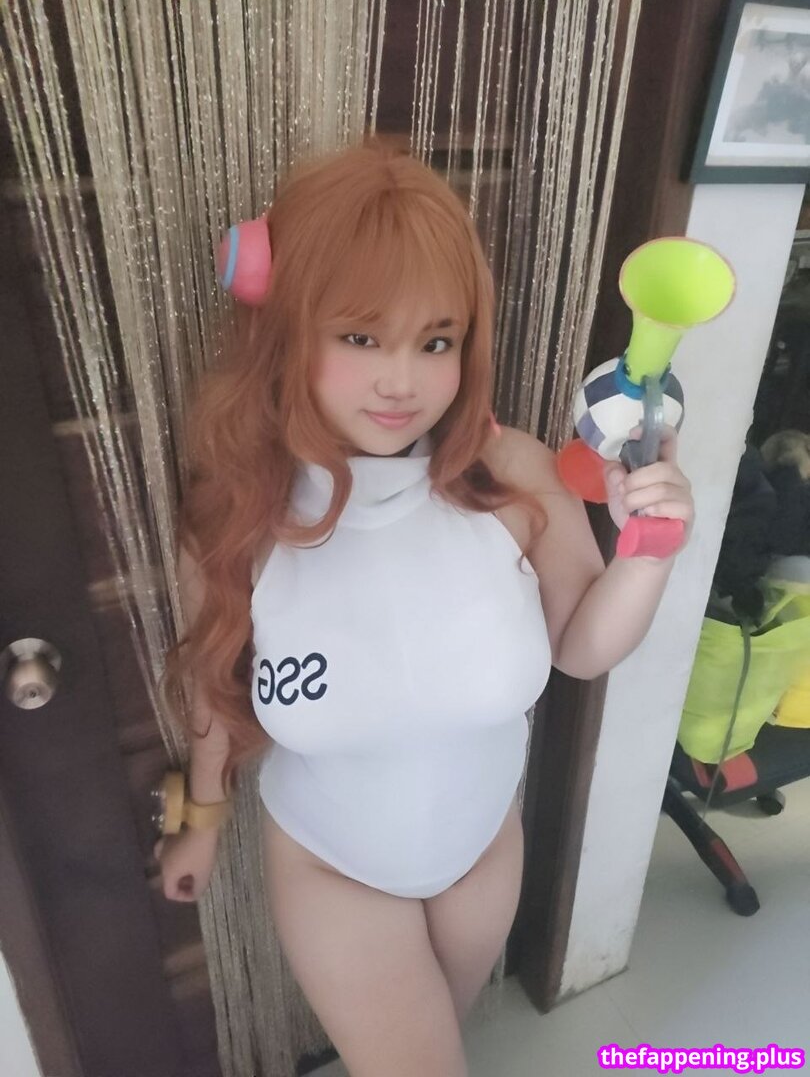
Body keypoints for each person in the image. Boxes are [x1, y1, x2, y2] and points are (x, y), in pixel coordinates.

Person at [155, 138, 694, 1077]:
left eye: (435, 341)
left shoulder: (512, 474)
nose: (402, 381)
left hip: (484, 852)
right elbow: (213, 682)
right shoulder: (237, 512)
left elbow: (581, 648)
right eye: (360, 338)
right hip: (331, 866)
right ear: (287, 327)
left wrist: (650, 547)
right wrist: (200, 818)